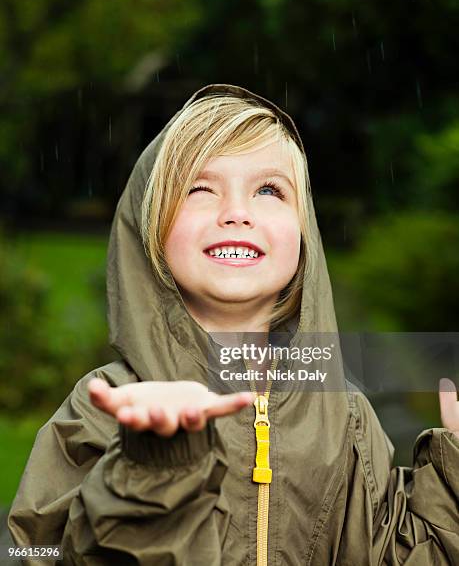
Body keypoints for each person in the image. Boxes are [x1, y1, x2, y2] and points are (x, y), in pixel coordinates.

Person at [7, 84, 459, 565]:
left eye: (269, 190)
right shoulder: (103, 410)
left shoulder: (347, 418)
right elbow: (41, 552)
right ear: (152, 232)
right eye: (200, 189)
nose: (237, 214)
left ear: (304, 236)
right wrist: (153, 471)